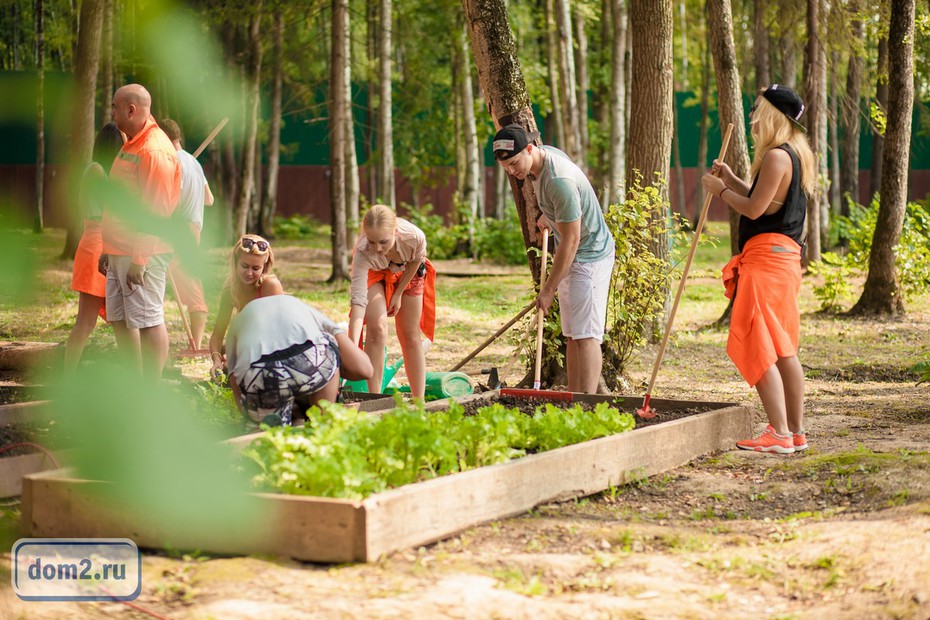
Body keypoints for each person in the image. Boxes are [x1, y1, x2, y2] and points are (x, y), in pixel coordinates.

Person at [701, 84, 815, 454]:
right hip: (783, 260)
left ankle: (779, 433)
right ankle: (794, 433)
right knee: (783, 347)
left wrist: (718, 190)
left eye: (757, 110)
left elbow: (753, 210)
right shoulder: (793, 155)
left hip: (766, 262)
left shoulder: (777, 157)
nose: (752, 118)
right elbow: (763, 199)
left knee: (759, 340)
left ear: (772, 115)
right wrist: (733, 179)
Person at [492, 124, 615, 393]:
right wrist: (551, 213)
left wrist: (548, 290)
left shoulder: (559, 181)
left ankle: (588, 403)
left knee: (587, 336)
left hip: (589, 255)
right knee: (571, 335)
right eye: (506, 168)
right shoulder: (543, 158)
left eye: (514, 163)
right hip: (571, 253)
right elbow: (568, 208)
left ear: (529, 149)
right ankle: (574, 395)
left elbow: (571, 240)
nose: (512, 172)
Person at [100, 83, 181, 379]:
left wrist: (140, 258)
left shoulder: (154, 150)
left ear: (131, 110)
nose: (111, 112)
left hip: (143, 253)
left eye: (114, 106)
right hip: (119, 249)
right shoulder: (131, 142)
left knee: (148, 320)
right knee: (120, 318)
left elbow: (155, 210)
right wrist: (108, 248)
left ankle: (152, 387)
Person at [225, 294, 373, 426]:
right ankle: (322, 423)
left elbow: (234, 378)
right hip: (312, 362)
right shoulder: (303, 309)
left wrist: (253, 415)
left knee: (269, 439)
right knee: (328, 340)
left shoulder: (237, 323)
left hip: (259, 373)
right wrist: (335, 377)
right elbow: (364, 369)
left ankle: (270, 430)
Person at [64, 122, 136, 372]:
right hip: (96, 244)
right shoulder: (96, 171)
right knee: (85, 322)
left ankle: (133, 376)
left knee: (121, 320)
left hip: (106, 243)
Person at [348, 204, 436, 398]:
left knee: (410, 334)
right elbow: (358, 302)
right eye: (371, 241)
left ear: (395, 231)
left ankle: (419, 402)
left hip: (407, 272)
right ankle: (374, 399)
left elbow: (416, 261)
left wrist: (398, 294)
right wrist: (352, 346)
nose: (377, 248)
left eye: (383, 241)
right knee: (377, 329)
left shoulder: (414, 237)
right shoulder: (364, 253)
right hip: (374, 273)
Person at [160, 118, 215, 350]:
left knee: (154, 278)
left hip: (178, 229)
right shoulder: (194, 162)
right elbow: (209, 200)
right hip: (193, 229)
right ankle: (197, 343)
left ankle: (150, 339)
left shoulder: (173, 162)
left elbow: (170, 200)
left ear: (163, 138)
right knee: (189, 281)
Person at [208, 234, 285, 380]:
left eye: (256, 268)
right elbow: (217, 336)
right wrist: (217, 361)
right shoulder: (230, 291)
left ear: (264, 267)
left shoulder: (270, 286)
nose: (249, 273)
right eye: (244, 266)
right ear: (236, 262)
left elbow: (275, 334)